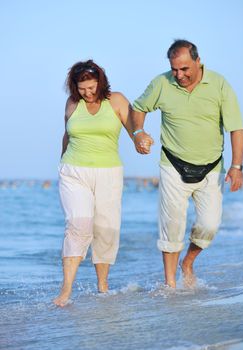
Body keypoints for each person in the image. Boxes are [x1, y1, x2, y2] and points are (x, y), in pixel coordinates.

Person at [131, 39, 243, 288]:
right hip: (173, 164)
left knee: (209, 225)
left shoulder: (219, 84)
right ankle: (170, 284)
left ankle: (188, 261)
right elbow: (138, 107)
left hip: (211, 168)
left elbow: (236, 128)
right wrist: (138, 131)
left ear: (198, 61)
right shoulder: (162, 83)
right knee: (172, 226)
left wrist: (237, 166)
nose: (179, 75)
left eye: (184, 69)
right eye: (174, 69)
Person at [53, 60, 152, 307]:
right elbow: (67, 134)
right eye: (82, 88)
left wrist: (141, 140)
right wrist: (62, 162)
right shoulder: (72, 103)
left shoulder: (116, 100)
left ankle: (103, 286)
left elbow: (134, 129)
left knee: (106, 229)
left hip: (108, 172)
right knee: (78, 225)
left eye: (92, 87)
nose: (87, 92)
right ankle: (65, 291)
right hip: (74, 171)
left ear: (101, 81)